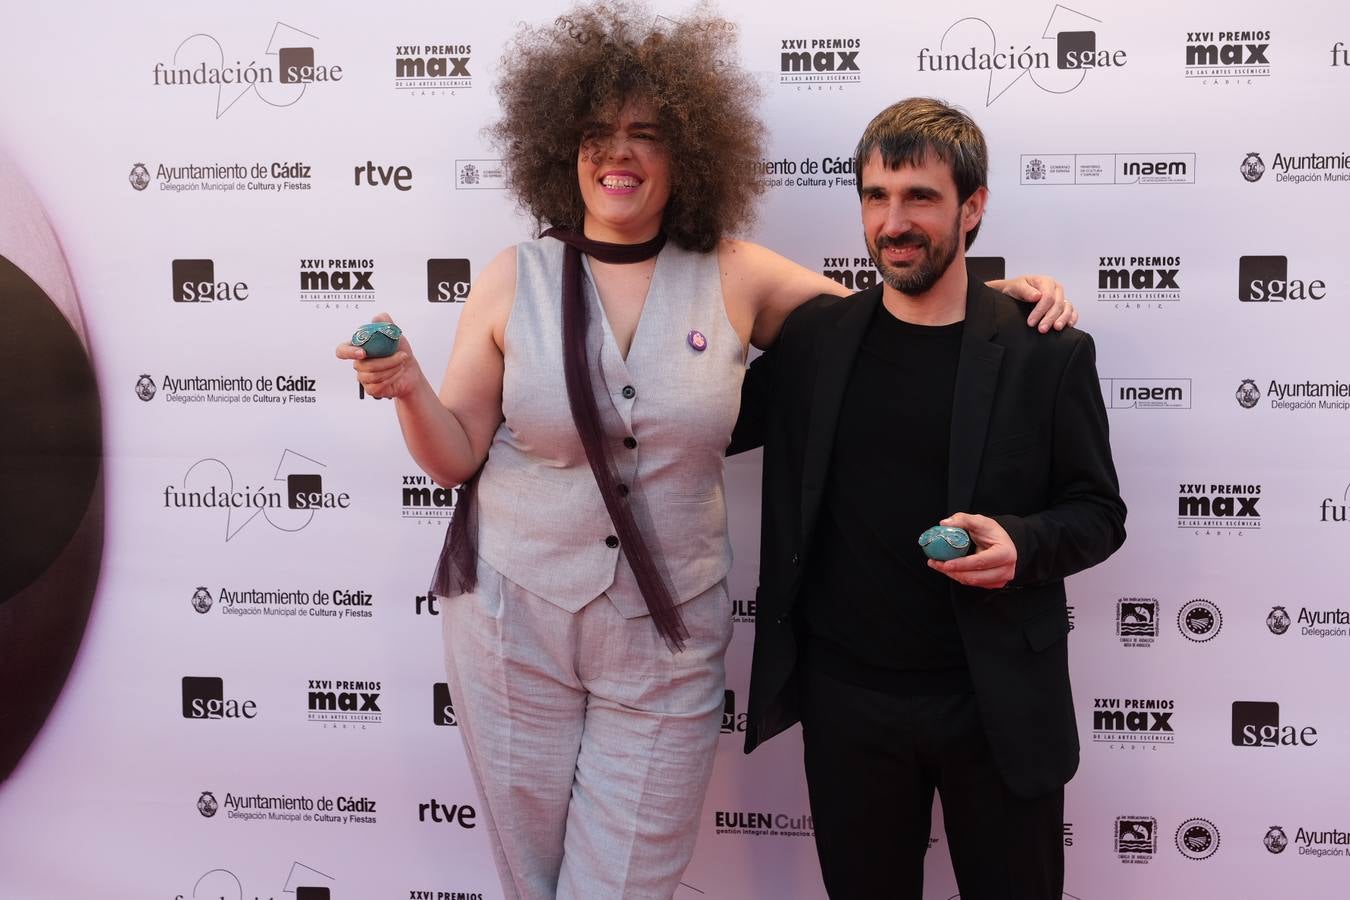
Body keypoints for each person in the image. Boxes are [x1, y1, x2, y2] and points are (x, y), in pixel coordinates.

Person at [337, 7, 1073, 898]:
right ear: (561, 149)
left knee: (626, 882)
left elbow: (891, 314)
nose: (620, 154)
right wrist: (409, 385)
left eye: (647, 133)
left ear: (687, 149)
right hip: (509, 620)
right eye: (597, 135)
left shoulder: (736, 271)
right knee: (530, 879)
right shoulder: (509, 277)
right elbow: (455, 458)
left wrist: (1007, 296)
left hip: (668, 630)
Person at [730, 97, 1127, 900]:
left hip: (997, 705)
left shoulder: (1042, 352)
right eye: (876, 196)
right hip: (849, 707)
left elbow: (1099, 513)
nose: (893, 220)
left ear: (972, 207)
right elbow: (686, 425)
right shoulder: (813, 342)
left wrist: (1022, 545)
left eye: (920, 196)